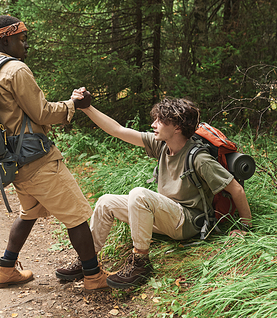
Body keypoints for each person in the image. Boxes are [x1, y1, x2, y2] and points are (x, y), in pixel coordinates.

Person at [57, 93, 253, 289]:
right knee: (105, 201)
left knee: (139, 194)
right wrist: (86, 108)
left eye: (160, 121)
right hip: (167, 216)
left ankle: (140, 263)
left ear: (177, 127)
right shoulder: (161, 145)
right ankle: (87, 260)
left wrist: (244, 228)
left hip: (187, 222)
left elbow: (236, 189)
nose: (153, 124)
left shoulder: (199, 158)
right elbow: (118, 130)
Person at [0, 15, 108, 292]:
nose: (26, 45)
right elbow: (42, 113)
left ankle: (5, 269)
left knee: (29, 212)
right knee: (76, 214)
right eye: (21, 39)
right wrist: (73, 104)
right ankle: (94, 276)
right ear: (5, 39)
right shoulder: (15, 70)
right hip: (37, 160)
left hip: (11, 160)